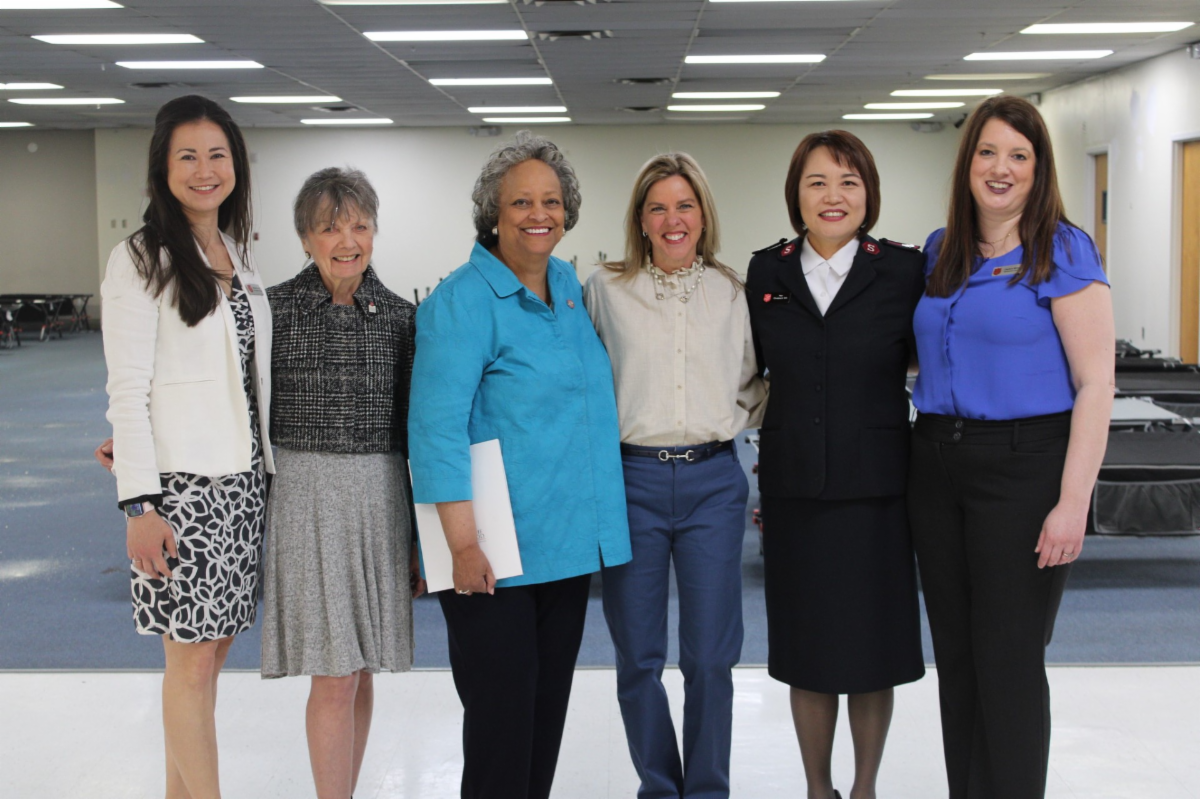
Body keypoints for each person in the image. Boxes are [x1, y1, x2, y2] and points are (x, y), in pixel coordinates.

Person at [407, 131, 631, 799]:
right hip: (492, 555)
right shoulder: (460, 302)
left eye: (552, 201)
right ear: (493, 214)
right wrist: (461, 545)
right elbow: (435, 432)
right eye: (522, 202)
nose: (540, 214)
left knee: (543, 718)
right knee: (502, 728)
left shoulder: (565, 284)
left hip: (563, 546)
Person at [909, 95, 1113, 799]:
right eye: (988, 152)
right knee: (958, 658)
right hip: (937, 464)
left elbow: (1096, 384)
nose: (1001, 168)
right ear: (967, 162)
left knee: (1010, 658)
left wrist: (1072, 503)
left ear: (1038, 168)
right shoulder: (941, 249)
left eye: (1019, 156)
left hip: (1024, 469)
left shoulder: (1063, 249)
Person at [744, 130, 926, 799]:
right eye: (817, 181)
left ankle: (864, 786)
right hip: (795, 490)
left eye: (849, 182)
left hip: (878, 491)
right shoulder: (766, 273)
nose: (833, 196)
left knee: (873, 651)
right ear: (796, 194)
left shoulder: (903, 271)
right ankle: (817, 788)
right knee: (808, 651)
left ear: (868, 194)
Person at [100, 94, 272, 799]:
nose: (206, 170)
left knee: (209, 660)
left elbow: (243, 375)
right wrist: (139, 504)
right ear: (162, 168)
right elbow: (128, 387)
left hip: (243, 485)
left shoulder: (237, 252)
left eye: (217, 155)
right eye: (188, 156)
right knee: (191, 666)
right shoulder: (140, 257)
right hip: (182, 493)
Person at [583, 152, 766, 799]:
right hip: (630, 482)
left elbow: (755, 383)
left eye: (684, 205)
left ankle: (708, 789)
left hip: (713, 482)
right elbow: (585, 382)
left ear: (703, 215)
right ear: (640, 219)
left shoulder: (733, 291)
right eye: (657, 207)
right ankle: (660, 786)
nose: (672, 219)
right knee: (638, 656)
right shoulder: (605, 289)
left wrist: (724, 421)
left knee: (711, 655)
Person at [259, 167, 425, 799]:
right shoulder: (272, 311)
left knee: (360, 670)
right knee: (333, 674)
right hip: (306, 501)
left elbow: (413, 435)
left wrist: (418, 538)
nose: (347, 241)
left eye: (360, 225)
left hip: (380, 501)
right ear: (305, 237)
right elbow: (232, 402)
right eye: (330, 228)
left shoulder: (402, 318)